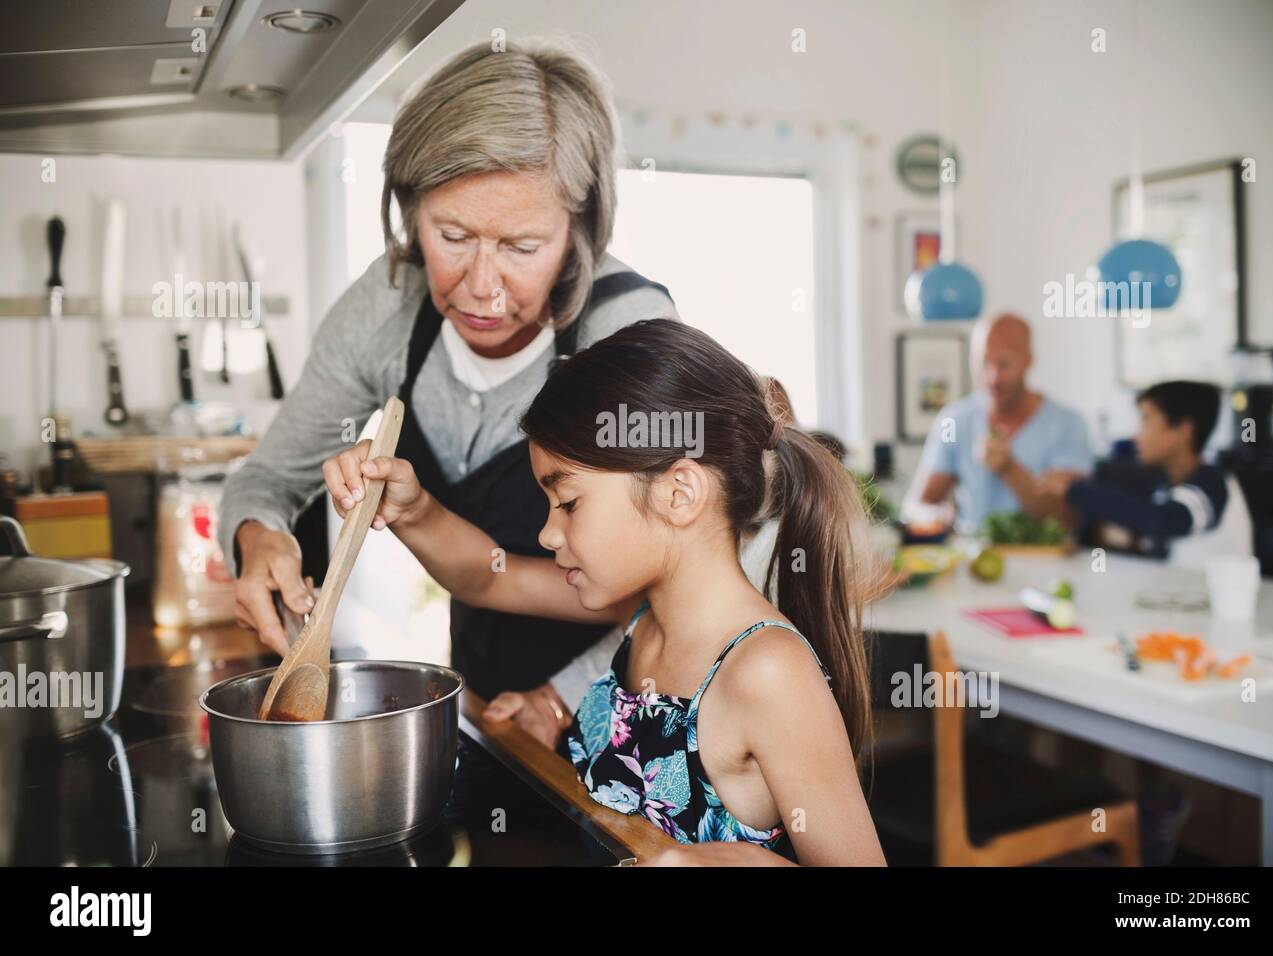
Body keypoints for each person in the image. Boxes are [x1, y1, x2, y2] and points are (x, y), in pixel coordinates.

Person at [218, 38, 684, 741]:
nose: (481, 287)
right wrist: (257, 539)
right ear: (410, 208)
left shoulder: (627, 334)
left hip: (637, 706)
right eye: (453, 235)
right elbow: (266, 479)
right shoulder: (385, 307)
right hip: (483, 703)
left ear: (578, 229)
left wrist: (564, 698)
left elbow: (690, 581)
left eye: (523, 247)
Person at [322, 319, 887, 866]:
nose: (548, 532)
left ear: (678, 493)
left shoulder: (767, 672)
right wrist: (412, 509)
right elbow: (489, 576)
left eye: (567, 503)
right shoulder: (642, 615)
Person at [906, 312, 1093, 530]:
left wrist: (1009, 468)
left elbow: (1070, 517)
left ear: (1028, 361)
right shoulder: (954, 421)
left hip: (1044, 558)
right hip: (971, 556)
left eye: (1004, 364)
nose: (993, 377)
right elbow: (915, 505)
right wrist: (936, 516)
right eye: (985, 362)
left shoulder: (1068, 425)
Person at [1043, 380, 1253, 567]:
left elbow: (1162, 520)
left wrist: (1075, 490)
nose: (1136, 437)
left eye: (1146, 420)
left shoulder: (1213, 486)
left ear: (1183, 430)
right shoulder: (1167, 485)